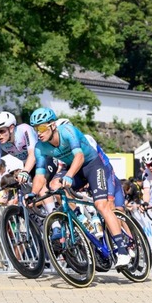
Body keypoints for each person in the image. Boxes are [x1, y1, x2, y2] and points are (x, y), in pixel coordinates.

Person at [28, 107, 131, 267]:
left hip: (93, 165)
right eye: (36, 129)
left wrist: (69, 175)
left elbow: (80, 156)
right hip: (75, 171)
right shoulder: (40, 147)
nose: (38, 133)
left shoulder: (67, 131)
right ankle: (80, 217)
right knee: (54, 184)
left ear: (52, 125)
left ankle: (123, 251)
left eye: (41, 127)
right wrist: (32, 194)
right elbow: (40, 175)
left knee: (101, 205)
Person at [0, 111, 38, 201]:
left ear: (11, 128)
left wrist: (25, 171)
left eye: (1, 131)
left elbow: (33, 154)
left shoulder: (24, 130)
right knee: (26, 198)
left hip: (43, 159)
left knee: (44, 188)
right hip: (29, 166)